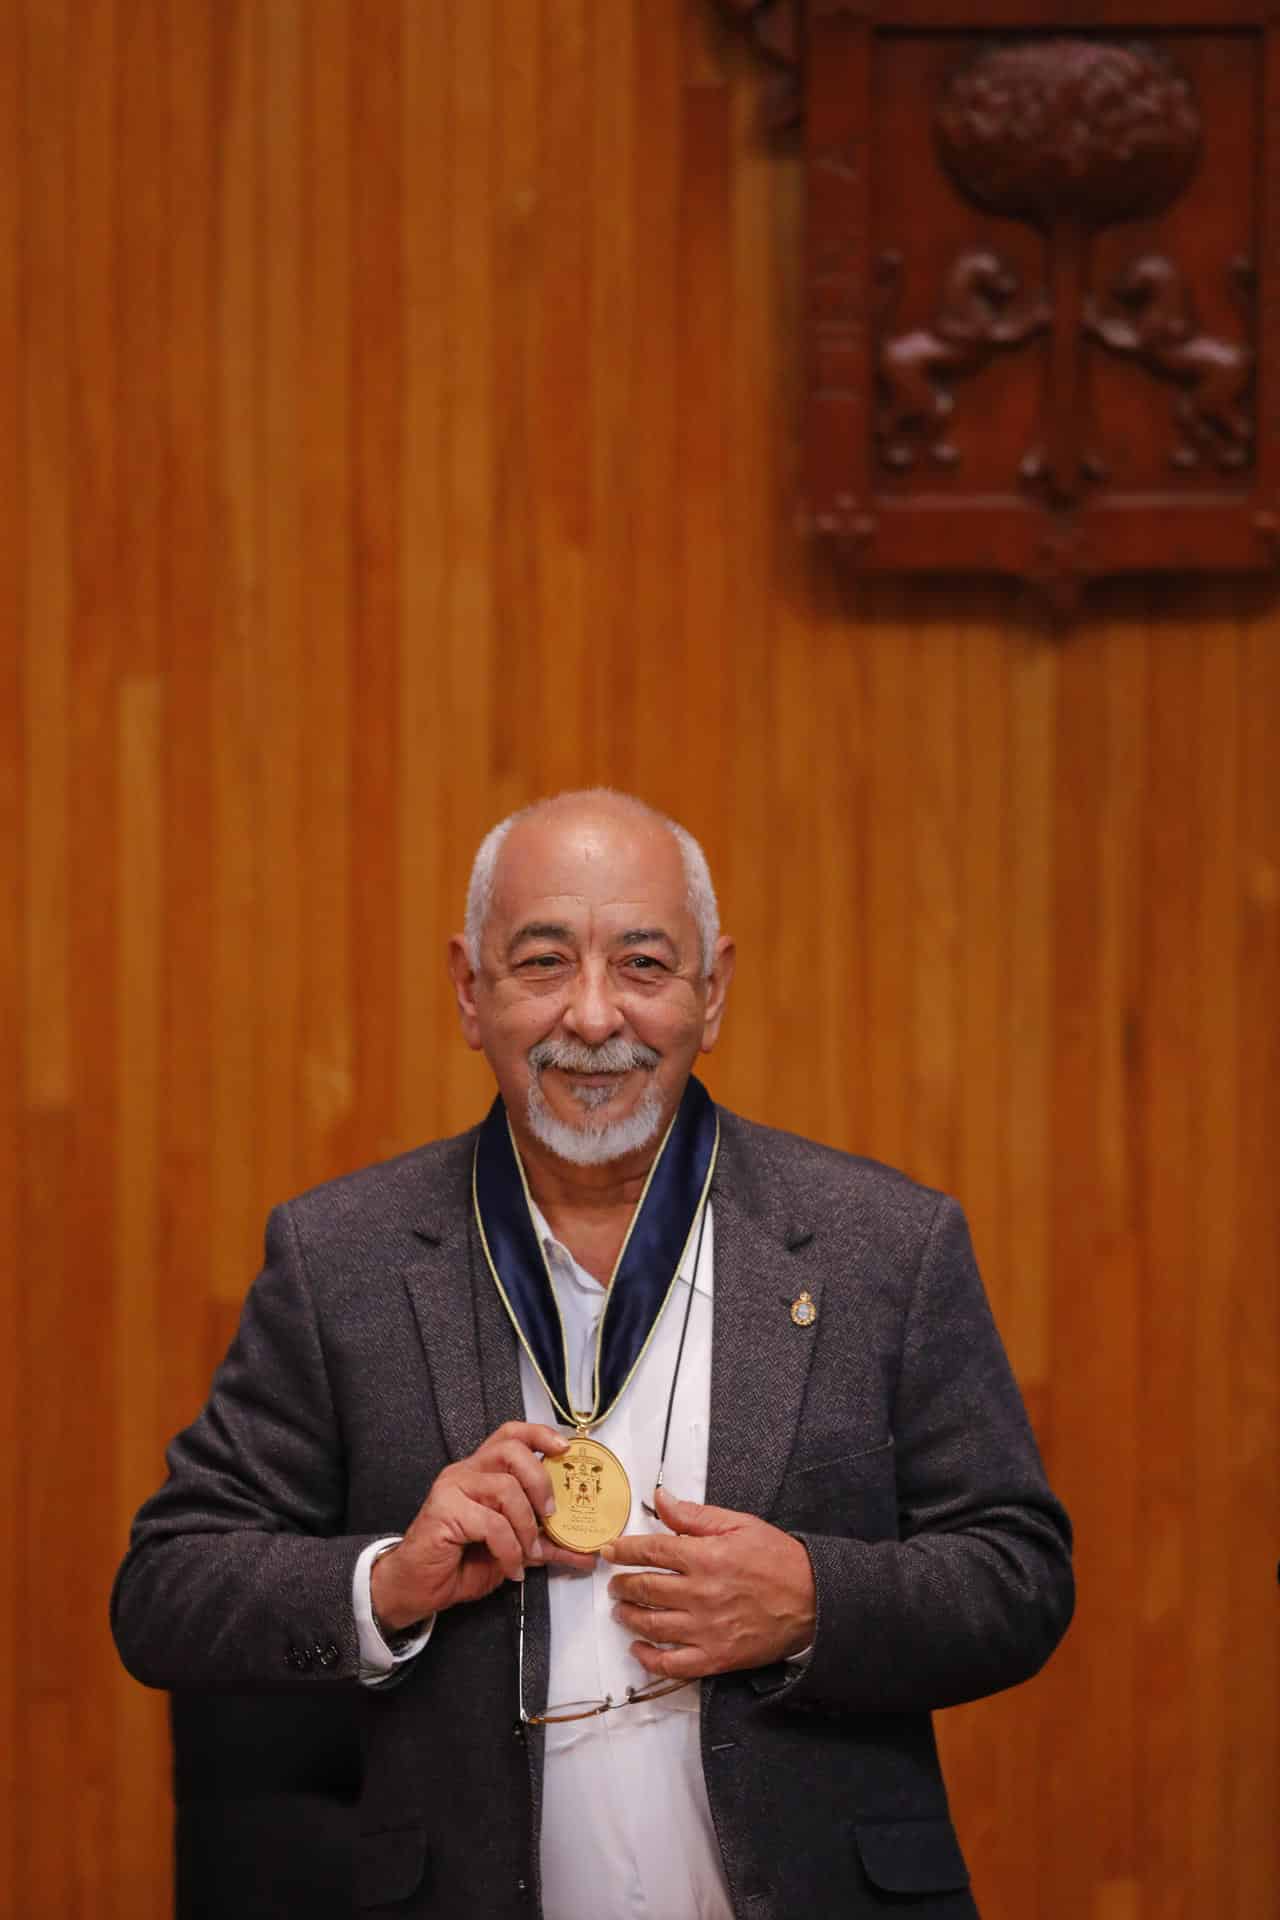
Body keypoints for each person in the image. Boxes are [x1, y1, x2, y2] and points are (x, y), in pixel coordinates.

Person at [112, 788, 1073, 1920]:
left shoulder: (882, 1247)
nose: (593, 1014)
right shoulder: (343, 1260)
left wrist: (816, 1599)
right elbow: (165, 1588)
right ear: (471, 991)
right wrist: (390, 1580)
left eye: (642, 966)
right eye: (542, 963)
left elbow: (1018, 1573)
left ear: (711, 991)